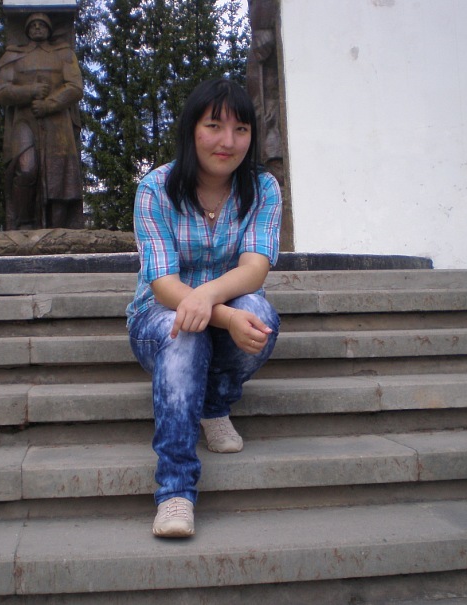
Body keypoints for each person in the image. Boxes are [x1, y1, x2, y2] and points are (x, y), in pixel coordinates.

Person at [126, 78, 282, 538]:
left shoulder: (262, 188)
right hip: (158, 316)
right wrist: (222, 315)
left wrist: (211, 297)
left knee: (261, 317)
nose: (227, 141)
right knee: (183, 333)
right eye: (214, 126)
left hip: (224, 304)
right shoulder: (156, 188)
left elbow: (255, 268)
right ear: (191, 129)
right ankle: (175, 490)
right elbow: (163, 285)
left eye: (241, 129)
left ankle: (214, 404)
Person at [0, 12, 83, 230]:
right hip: (24, 120)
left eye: (41, 24)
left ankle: (58, 229)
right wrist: (30, 91)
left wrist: (50, 104)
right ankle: (24, 223)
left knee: (59, 177)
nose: (36, 28)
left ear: (50, 28)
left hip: (58, 121)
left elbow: (75, 87)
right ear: (26, 29)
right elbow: (2, 92)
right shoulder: (14, 56)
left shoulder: (64, 54)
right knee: (26, 168)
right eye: (32, 24)